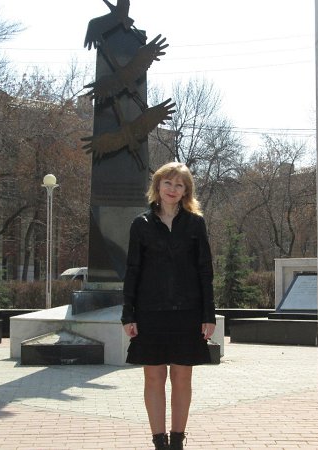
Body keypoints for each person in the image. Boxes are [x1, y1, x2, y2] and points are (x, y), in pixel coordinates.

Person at [121, 161, 216, 450]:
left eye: (179, 185)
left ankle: (177, 441)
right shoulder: (141, 224)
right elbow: (133, 270)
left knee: (182, 377)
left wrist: (208, 314)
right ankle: (159, 441)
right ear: (158, 186)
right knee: (154, 377)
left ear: (186, 190)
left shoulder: (195, 224)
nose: (173, 189)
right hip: (150, 313)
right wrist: (128, 314)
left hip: (188, 313)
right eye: (168, 183)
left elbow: (205, 270)